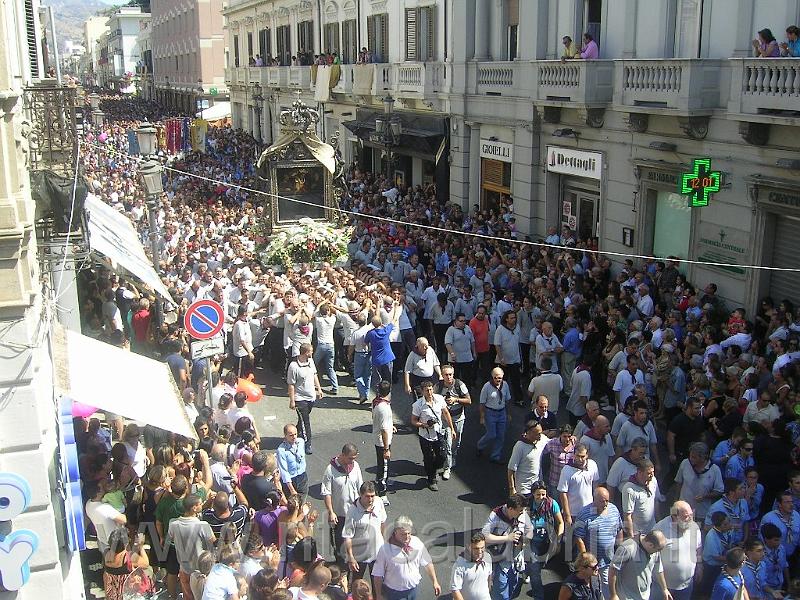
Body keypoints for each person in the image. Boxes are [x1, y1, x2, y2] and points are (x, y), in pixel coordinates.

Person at [372, 515, 440, 600]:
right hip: (394, 593)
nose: (407, 537)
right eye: (403, 534)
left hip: (413, 590)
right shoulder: (385, 550)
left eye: (409, 533)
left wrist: (435, 581)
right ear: (395, 532)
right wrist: (378, 595)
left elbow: (427, 563)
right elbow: (378, 574)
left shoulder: (417, 543)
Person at [573, 487, 623, 600]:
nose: (605, 504)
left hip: (608, 561)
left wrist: (620, 548)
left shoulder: (614, 510)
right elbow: (579, 537)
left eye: (607, 501)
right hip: (591, 564)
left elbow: (619, 529)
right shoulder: (584, 513)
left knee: (607, 588)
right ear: (594, 499)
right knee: (590, 589)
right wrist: (585, 558)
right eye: (602, 501)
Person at [481, 494, 533, 600]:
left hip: (515, 559)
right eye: (520, 511)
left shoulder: (522, 514)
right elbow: (485, 536)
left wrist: (523, 541)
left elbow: (530, 531)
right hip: (500, 560)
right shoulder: (496, 515)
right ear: (510, 509)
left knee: (512, 586)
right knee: (501, 593)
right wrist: (507, 538)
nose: (522, 513)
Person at [321, 443, 364, 564]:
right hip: (339, 515)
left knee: (355, 541)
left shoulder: (355, 466)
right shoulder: (330, 470)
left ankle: (352, 562)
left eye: (354, 458)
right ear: (343, 455)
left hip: (354, 512)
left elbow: (360, 487)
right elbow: (326, 493)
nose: (352, 461)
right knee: (339, 542)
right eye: (350, 458)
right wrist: (331, 512)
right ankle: (340, 565)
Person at [410, 379, 455, 491]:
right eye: (427, 390)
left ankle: (433, 469)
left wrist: (452, 428)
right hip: (425, 436)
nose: (429, 392)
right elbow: (413, 420)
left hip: (438, 433)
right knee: (428, 458)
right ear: (422, 391)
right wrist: (423, 425)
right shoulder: (418, 405)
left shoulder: (439, 399)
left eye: (430, 389)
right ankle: (431, 480)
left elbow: (446, 413)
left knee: (442, 456)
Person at [170, 493, 217, 600]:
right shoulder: (202, 525)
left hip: (184, 568)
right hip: (199, 571)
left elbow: (172, 538)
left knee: (188, 596)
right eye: (200, 504)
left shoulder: (173, 524)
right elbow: (213, 540)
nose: (202, 505)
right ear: (194, 508)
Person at [654, 501, 702, 600]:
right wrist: (664, 588)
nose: (690, 519)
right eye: (686, 516)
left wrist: (700, 565)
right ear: (675, 516)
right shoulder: (660, 530)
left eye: (691, 515)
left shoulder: (694, 527)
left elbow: (698, 548)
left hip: (687, 585)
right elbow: (654, 560)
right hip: (665, 587)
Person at [342, 481, 388, 584]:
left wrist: (384, 543)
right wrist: (351, 557)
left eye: (372, 496)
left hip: (377, 552)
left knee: (378, 584)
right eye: (367, 496)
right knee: (356, 583)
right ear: (360, 495)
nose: (370, 499)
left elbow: (383, 522)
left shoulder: (378, 502)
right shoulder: (353, 511)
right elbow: (348, 537)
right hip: (359, 555)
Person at [608, 530, 671, 600]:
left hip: (645, 596)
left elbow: (658, 570)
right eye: (658, 550)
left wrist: (664, 589)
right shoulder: (627, 548)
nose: (658, 552)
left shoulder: (655, 550)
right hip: (626, 596)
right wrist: (613, 595)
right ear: (650, 545)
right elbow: (612, 571)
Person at [528, 482, 564, 600]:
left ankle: (527, 569)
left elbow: (560, 522)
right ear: (533, 494)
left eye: (543, 494)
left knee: (540, 564)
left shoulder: (552, 504)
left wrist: (558, 540)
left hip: (548, 541)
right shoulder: (528, 504)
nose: (541, 497)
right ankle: (539, 596)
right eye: (538, 494)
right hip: (532, 541)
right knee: (535, 571)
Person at [287, 342, 323, 454]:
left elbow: (314, 375)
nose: (312, 352)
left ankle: (294, 432)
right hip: (300, 398)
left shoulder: (311, 361)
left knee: (302, 420)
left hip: (311, 397)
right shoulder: (293, 366)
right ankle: (308, 444)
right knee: (306, 422)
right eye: (311, 351)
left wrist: (319, 389)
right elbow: (291, 384)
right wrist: (292, 400)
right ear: (306, 352)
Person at [674, 441, 724, 522]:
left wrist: (705, 496)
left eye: (694, 457)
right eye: (690, 456)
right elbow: (678, 482)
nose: (691, 459)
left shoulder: (714, 469)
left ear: (703, 457)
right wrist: (676, 502)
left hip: (702, 513)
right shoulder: (685, 463)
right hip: (683, 510)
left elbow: (719, 490)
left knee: (697, 530)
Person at [437, 365, 471, 479]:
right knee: (447, 443)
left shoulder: (459, 385)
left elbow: (469, 400)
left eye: (450, 374)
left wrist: (456, 399)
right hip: (445, 419)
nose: (449, 377)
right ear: (442, 376)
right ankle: (447, 468)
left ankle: (453, 455)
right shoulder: (438, 386)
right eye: (446, 375)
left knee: (456, 442)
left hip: (458, 418)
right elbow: (433, 399)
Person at [557, 443, 599, 528]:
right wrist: (567, 515)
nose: (580, 459)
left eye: (582, 456)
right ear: (573, 455)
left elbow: (595, 486)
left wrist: (596, 506)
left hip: (589, 510)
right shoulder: (566, 469)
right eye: (577, 456)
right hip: (573, 512)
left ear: (587, 455)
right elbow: (563, 493)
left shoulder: (593, 465)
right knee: (571, 535)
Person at [103, 528, 150, 600]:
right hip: (127, 595)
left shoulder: (106, 554)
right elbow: (146, 564)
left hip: (113, 596)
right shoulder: (129, 557)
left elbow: (105, 575)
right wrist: (140, 546)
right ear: (126, 544)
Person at [476, 367, 511, 464]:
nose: (497, 380)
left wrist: (508, 413)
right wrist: (482, 416)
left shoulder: (505, 385)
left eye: (499, 378)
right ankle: (480, 445)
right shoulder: (487, 386)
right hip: (490, 413)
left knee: (501, 435)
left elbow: (507, 400)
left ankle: (495, 456)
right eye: (495, 378)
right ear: (492, 377)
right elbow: (482, 403)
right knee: (491, 434)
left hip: (502, 412)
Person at [366, 301, 401, 390]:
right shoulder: (386, 331)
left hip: (376, 360)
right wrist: (396, 307)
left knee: (378, 380)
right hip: (387, 358)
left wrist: (377, 304)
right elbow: (394, 319)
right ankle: (388, 394)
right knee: (388, 380)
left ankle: (379, 394)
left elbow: (366, 342)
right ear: (381, 322)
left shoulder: (370, 333)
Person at [507, 421, 548, 498]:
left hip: (537, 488)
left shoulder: (541, 440)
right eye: (537, 434)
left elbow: (554, 441)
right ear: (529, 432)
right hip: (524, 490)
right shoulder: (519, 446)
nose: (540, 436)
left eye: (541, 433)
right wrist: (512, 489)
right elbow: (511, 469)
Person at [621, 458, 661, 536]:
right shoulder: (629, 489)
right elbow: (627, 516)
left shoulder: (653, 481)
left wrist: (658, 523)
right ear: (640, 472)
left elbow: (656, 502)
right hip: (638, 533)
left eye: (653, 472)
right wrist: (631, 537)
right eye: (649, 473)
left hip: (653, 529)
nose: (652, 475)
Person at [704, 478, 749, 547]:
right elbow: (707, 527)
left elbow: (746, 521)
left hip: (740, 543)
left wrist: (745, 540)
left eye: (743, 488)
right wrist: (728, 527)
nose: (744, 490)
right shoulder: (716, 507)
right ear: (731, 492)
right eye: (740, 489)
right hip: (723, 545)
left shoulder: (743, 503)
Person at [450, 532, 492, 600]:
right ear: (468, 546)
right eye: (476, 548)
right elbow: (455, 590)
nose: (480, 552)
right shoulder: (460, 564)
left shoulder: (487, 557)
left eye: (482, 548)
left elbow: (489, 577)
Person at [371, 380, 394, 502]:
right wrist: (386, 449)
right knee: (384, 467)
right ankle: (382, 492)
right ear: (389, 391)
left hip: (378, 439)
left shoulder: (376, 402)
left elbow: (380, 421)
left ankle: (380, 481)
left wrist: (391, 426)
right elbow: (384, 430)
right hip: (382, 442)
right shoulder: (384, 408)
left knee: (381, 465)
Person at [759, 491, 800, 559]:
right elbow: (762, 540)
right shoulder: (768, 518)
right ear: (779, 504)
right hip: (775, 556)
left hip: (794, 554)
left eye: (792, 502)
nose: (791, 505)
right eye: (787, 502)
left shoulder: (796, 515)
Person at [495, 310, 523, 406]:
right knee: (501, 382)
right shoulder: (500, 329)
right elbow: (497, 345)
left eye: (514, 318)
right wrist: (501, 358)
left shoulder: (517, 327)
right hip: (504, 361)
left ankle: (519, 399)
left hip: (515, 360)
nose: (514, 320)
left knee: (516, 381)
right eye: (511, 318)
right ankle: (500, 399)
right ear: (506, 319)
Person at [277, 424, 308, 500]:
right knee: (292, 503)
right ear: (285, 435)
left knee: (302, 500)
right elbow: (284, 471)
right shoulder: (281, 450)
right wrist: (292, 489)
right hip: (291, 480)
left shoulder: (301, 442)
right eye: (291, 435)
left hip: (302, 476)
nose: (294, 437)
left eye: (295, 434)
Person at [445, 313, 476, 384]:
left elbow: (472, 341)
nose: (463, 322)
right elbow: (448, 343)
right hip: (456, 360)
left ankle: (468, 390)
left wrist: (474, 352)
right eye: (461, 321)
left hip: (467, 358)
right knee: (455, 379)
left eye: (464, 321)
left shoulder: (468, 328)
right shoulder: (451, 330)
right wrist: (452, 353)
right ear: (456, 321)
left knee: (467, 378)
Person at [233, 304, 255, 377]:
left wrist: (258, 311)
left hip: (246, 352)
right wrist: (249, 352)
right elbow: (242, 341)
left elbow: (251, 314)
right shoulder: (239, 324)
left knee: (247, 372)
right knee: (239, 374)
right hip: (241, 354)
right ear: (244, 313)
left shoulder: (246, 320)